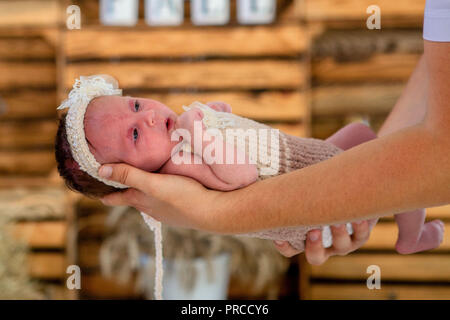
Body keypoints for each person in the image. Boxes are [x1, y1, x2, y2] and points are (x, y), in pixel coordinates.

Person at [97, 2, 450, 264]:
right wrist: (349, 188)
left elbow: (437, 150)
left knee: (366, 140)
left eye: (137, 107)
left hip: (299, 161)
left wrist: (214, 116)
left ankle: (402, 224)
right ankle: (411, 234)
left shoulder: (182, 136)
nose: (150, 120)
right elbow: (241, 174)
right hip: (296, 173)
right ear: (139, 173)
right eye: (135, 136)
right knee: (380, 156)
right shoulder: (179, 163)